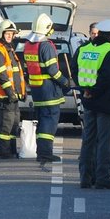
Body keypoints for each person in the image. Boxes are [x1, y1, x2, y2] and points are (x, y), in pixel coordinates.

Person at [76, 19, 110, 189]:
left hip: (88, 101)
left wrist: (85, 90)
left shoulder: (83, 49)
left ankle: (85, 177)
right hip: (105, 102)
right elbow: (109, 78)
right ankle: (103, 176)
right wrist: (95, 91)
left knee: (88, 140)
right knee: (105, 142)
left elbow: (75, 71)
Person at [25, 13, 72, 164]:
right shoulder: (46, 46)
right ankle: (45, 154)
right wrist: (65, 82)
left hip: (37, 90)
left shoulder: (29, 45)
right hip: (49, 91)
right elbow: (52, 70)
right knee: (49, 122)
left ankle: (42, 152)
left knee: (42, 121)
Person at [0, 18, 25, 159]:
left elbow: (16, 74)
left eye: (12, 33)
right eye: (7, 33)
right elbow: (1, 75)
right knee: (5, 125)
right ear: (1, 34)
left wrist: (21, 92)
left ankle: (11, 151)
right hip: (4, 95)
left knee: (13, 124)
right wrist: (10, 92)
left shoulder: (8, 49)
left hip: (12, 95)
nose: (10, 36)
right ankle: (3, 152)